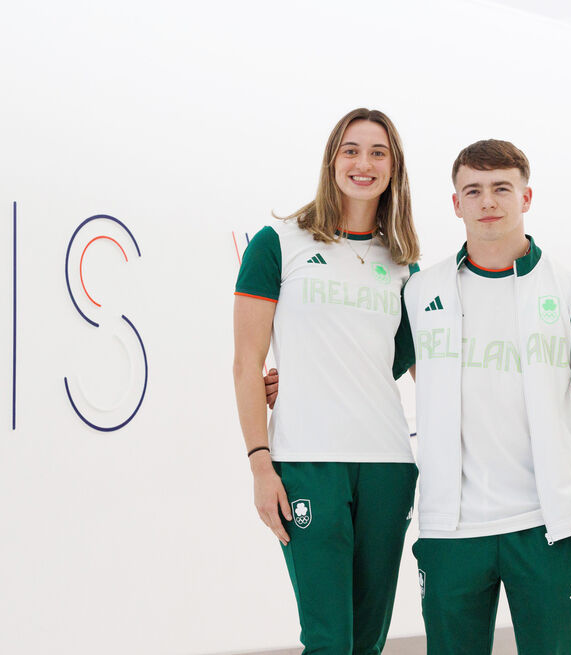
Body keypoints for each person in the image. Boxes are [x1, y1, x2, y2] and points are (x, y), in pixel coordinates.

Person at [404, 140, 571, 654]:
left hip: (547, 529)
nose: (488, 201)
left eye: (502, 187)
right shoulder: (420, 291)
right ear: (456, 203)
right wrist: (290, 379)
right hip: (449, 532)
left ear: (526, 197)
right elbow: (368, 365)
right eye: (473, 190)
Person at [232, 108, 420, 654]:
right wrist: (259, 462)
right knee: (328, 639)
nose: (364, 163)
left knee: (367, 641)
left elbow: (404, 367)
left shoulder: (403, 263)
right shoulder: (277, 243)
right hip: (307, 461)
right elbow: (247, 363)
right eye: (352, 150)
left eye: (378, 153)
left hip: (387, 463)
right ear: (332, 159)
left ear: (393, 168)